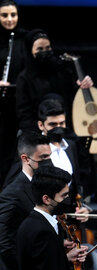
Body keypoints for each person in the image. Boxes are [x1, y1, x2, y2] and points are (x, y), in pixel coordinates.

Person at [0, 131, 50, 270]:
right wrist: (30, 269)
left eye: (49, 157)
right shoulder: (12, 194)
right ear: (26, 158)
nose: (48, 162)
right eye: (43, 158)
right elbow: (5, 243)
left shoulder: (43, 186)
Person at [15, 29, 93, 131]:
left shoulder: (62, 69)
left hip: (68, 128)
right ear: (30, 51)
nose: (45, 52)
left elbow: (76, 99)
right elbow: (24, 116)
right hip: (38, 132)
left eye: (48, 47)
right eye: (39, 49)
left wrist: (84, 86)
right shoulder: (24, 78)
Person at [0, 0, 28, 181]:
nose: (10, 19)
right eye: (4, 15)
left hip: (19, 100)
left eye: (13, 15)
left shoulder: (26, 38)